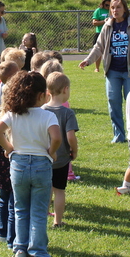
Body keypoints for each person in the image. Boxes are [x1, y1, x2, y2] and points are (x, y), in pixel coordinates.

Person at [0, 72, 61, 257]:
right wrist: (51, 151)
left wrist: (9, 148)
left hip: (18, 164)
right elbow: (56, 138)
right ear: (41, 95)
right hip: (41, 165)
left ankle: (20, 249)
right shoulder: (48, 115)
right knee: (38, 210)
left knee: (20, 208)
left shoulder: (12, 114)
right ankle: (38, 251)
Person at [79, 0, 130, 143]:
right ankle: (118, 135)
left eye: (118, 7)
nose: (115, 10)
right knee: (113, 102)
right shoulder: (108, 25)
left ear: (124, 8)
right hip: (112, 71)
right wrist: (88, 60)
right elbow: (99, 46)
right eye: (112, 7)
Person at [0, 60, 22, 248]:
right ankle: (11, 237)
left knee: (4, 199)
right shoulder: (13, 118)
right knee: (13, 202)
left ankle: (2, 233)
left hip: (1, 166)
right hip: (12, 164)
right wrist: (9, 148)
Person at [42, 72, 78, 228]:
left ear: (48, 91)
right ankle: (58, 221)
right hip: (62, 158)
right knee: (59, 190)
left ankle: (42, 217)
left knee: (46, 188)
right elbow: (70, 136)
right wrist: (74, 150)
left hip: (44, 157)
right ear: (65, 89)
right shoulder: (68, 113)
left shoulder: (41, 110)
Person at [91, 0, 111, 73]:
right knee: (98, 50)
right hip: (100, 32)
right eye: (106, 5)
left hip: (110, 32)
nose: (108, 7)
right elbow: (94, 22)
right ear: (103, 4)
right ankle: (97, 67)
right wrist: (104, 21)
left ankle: (108, 66)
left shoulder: (112, 11)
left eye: (110, 5)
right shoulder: (98, 11)